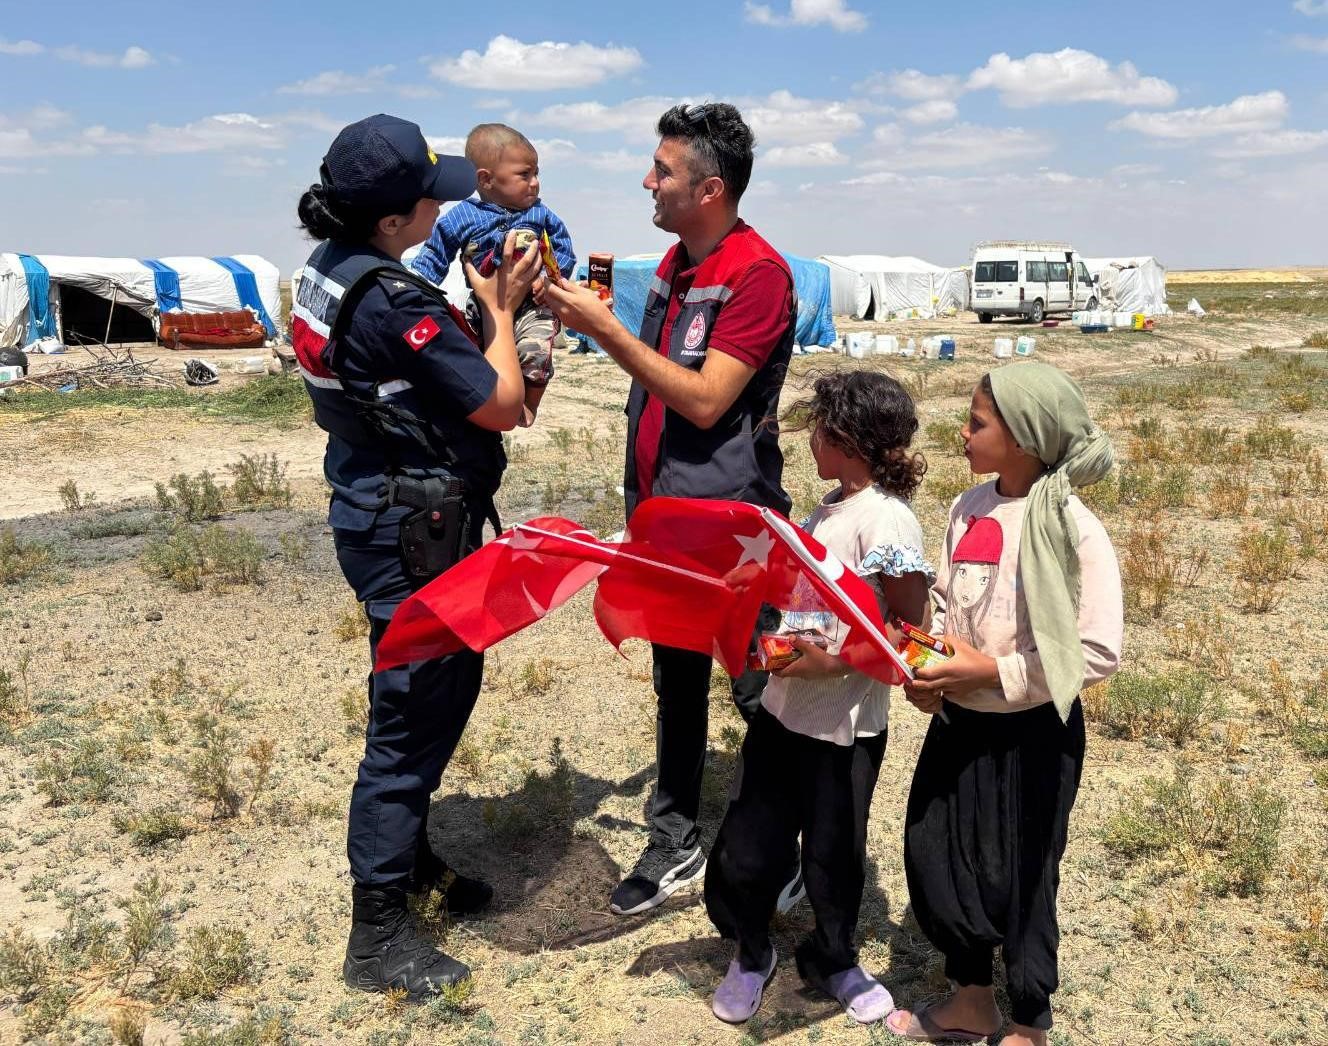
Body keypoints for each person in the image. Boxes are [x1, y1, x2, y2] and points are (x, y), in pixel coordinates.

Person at [291, 113, 542, 1001]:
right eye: (430, 194)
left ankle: (413, 863)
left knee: (433, 700)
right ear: (393, 221)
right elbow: (503, 402)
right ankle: (379, 939)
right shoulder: (396, 300)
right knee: (408, 723)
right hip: (412, 536)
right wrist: (501, 312)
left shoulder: (326, 271)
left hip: (378, 514)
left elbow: (407, 384)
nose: (445, 200)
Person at [541, 102, 798, 917]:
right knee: (676, 681)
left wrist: (607, 331)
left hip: (733, 528)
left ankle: (781, 849)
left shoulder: (758, 275)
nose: (646, 182)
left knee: (761, 691)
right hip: (665, 519)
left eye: (662, 172)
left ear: (710, 190)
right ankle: (676, 841)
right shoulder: (674, 264)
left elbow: (704, 399)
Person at [885, 363, 1123, 1046]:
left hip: (1035, 737)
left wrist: (992, 670)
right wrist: (929, 662)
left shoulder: (1076, 528)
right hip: (961, 724)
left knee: (1023, 876)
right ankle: (970, 998)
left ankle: (1028, 1021)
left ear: (1023, 435)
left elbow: (1099, 651)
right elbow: (952, 606)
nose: (961, 433)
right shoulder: (966, 507)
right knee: (938, 855)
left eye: (977, 422)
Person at [703, 370, 933, 1025]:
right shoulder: (826, 510)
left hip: (845, 729)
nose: (810, 442)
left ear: (846, 438)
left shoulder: (887, 521)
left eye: (818, 430)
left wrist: (832, 663)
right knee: (752, 846)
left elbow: (909, 634)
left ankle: (832, 957)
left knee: (834, 852)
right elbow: (811, 605)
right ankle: (752, 953)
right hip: (782, 713)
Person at [410, 123, 575, 427]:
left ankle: (528, 404)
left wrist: (551, 281)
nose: (535, 183)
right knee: (464, 350)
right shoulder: (463, 216)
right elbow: (435, 251)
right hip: (482, 304)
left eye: (537, 174)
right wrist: (417, 285)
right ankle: (482, 402)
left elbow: (563, 248)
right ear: (486, 179)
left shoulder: (541, 214)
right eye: (525, 175)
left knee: (535, 352)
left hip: (531, 305)